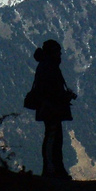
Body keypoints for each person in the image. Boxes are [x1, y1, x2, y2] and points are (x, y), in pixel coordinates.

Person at [30, 39, 77, 179]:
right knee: (53, 138)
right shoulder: (49, 67)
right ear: (53, 52)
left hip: (50, 107)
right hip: (51, 107)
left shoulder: (46, 65)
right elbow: (50, 90)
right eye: (58, 52)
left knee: (54, 137)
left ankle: (55, 169)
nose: (60, 55)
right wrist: (63, 96)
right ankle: (52, 170)